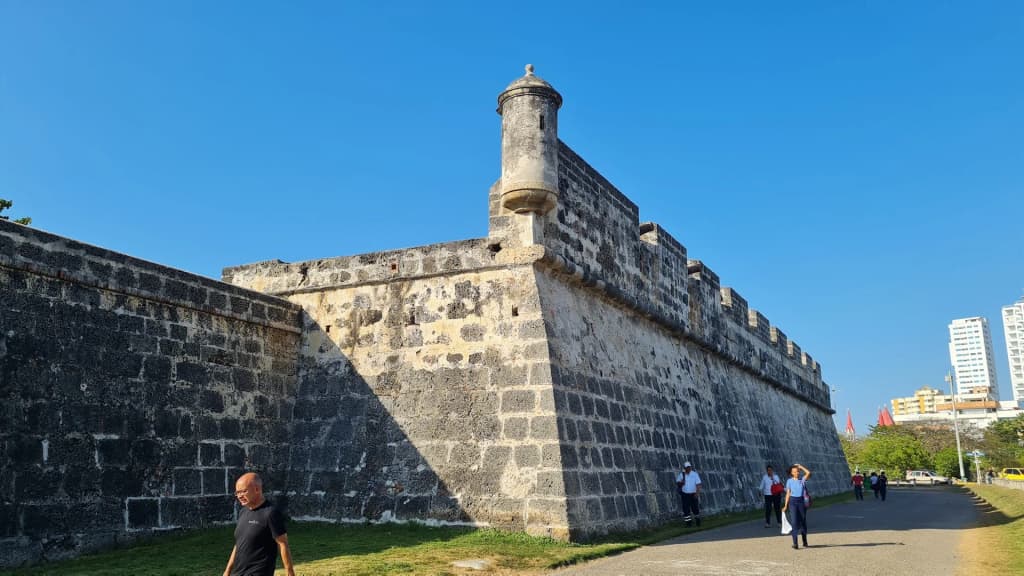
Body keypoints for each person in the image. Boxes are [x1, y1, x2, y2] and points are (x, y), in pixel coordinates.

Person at [223, 472, 296, 576]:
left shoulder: (271, 513)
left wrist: (290, 573)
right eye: (237, 492)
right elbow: (239, 544)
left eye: (243, 491)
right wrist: (227, 571)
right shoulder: (243, 512)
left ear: (257, 489)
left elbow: (283, 544)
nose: (239, 496)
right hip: (238, 572)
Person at [781, 463, 812, 549]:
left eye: (797, 471)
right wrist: (785, 505)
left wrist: (800, 466)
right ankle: (795, 543)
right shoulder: (789, 481)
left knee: (803, 521)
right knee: (794, 522)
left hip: (801, 502)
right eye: (794, 472)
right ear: (791, 473)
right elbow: (788, 494)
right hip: (792, 502)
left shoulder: (802, 480)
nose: (796, 473)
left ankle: (804, 541)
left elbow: (808, 473)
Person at [675, 461, 702, 526]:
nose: (688, 468)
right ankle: (688, 523)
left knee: (695, 508)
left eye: (689, 467)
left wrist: (697, 493)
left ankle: (698, 521)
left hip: (693, 494)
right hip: (685, 494)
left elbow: (698, 484)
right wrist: (681, 483)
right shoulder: (681, 475)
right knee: (686, 509)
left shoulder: (695, 474)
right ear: (684, 468)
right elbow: (678, 483)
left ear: (690, 467)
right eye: (687, 467)